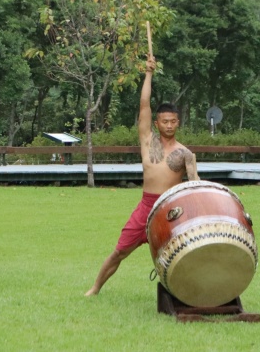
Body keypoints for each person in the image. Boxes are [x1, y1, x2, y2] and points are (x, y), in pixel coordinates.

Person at [85, 54, 199, 296]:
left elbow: (194, 186)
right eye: (164, 121)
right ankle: (94, 289)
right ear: (157, 124)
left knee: (186, 254)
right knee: (119, 251)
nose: (169, 125)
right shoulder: (148, 142)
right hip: (146, 206)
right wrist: (148, 73)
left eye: (173, 122)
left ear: (178, 123)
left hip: (171, 209)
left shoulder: (186, 154)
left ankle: (190, 293)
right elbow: (144, 105)